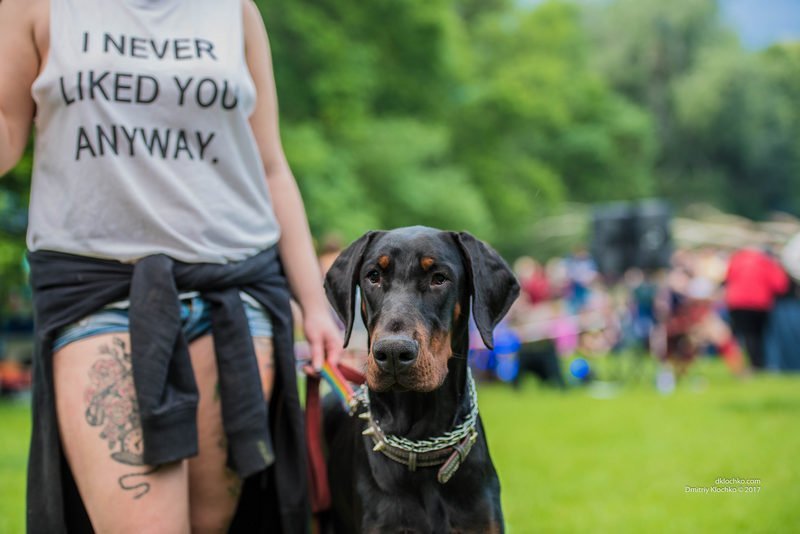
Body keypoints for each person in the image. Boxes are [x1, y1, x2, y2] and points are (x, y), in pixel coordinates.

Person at [0, 0, 343, 531]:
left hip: (235, 295)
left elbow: (271, 165)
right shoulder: (37, 6)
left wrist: (315, 306)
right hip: (100, 292)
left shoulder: (236, 12)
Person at [724, 247, 788, 370]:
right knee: (758, 335)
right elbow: (780, 285)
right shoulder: (767, 263)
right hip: (759, 304)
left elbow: (728, 278)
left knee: (745, 335)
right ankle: (758, 363)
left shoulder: (737, 260)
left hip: (737, 303)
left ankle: (747, 363)